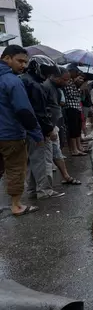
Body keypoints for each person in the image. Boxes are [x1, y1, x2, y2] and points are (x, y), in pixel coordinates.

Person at [0, 45, 42, 216]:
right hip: (11, 134)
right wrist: (37, 134)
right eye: (20, 61)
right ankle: (16, 206)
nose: (23, 65)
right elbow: (24, 111)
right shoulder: (12, 81)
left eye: (25, 62)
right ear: (7, 58)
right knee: (16, 169)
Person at [21, 55, 65, 200]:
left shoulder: (24, 81)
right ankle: (45, 190)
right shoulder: (35, 86)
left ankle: (33, 190)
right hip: (37, 129)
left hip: (27, 129)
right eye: (46, 72)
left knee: (33, 160)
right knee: (43, 159)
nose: (47, 76)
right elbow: (40, 112)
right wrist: (48, 129)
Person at [43, 66, 81, 185]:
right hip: (47, 127)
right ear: (54, 77)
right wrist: (49, 128)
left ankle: (66, 176)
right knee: (46, 157)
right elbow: (43, 109)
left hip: (54, 125)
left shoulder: (57, 88)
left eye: (68, 80)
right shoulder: (46, 87)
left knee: (56, 151)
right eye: (64, 80)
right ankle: (44, 188)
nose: (66, 83)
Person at [62, 66, 87, 156]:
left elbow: (79, 97)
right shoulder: (68, 83)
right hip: (70, 108)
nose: (77, 74)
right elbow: (71, 95)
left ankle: (79, 147)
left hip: (77, 108)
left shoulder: (74, 84)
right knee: (73, 129)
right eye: (76, 72)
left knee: (77, 129)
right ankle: (74, 149)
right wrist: (78, 88)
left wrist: (79, 87)